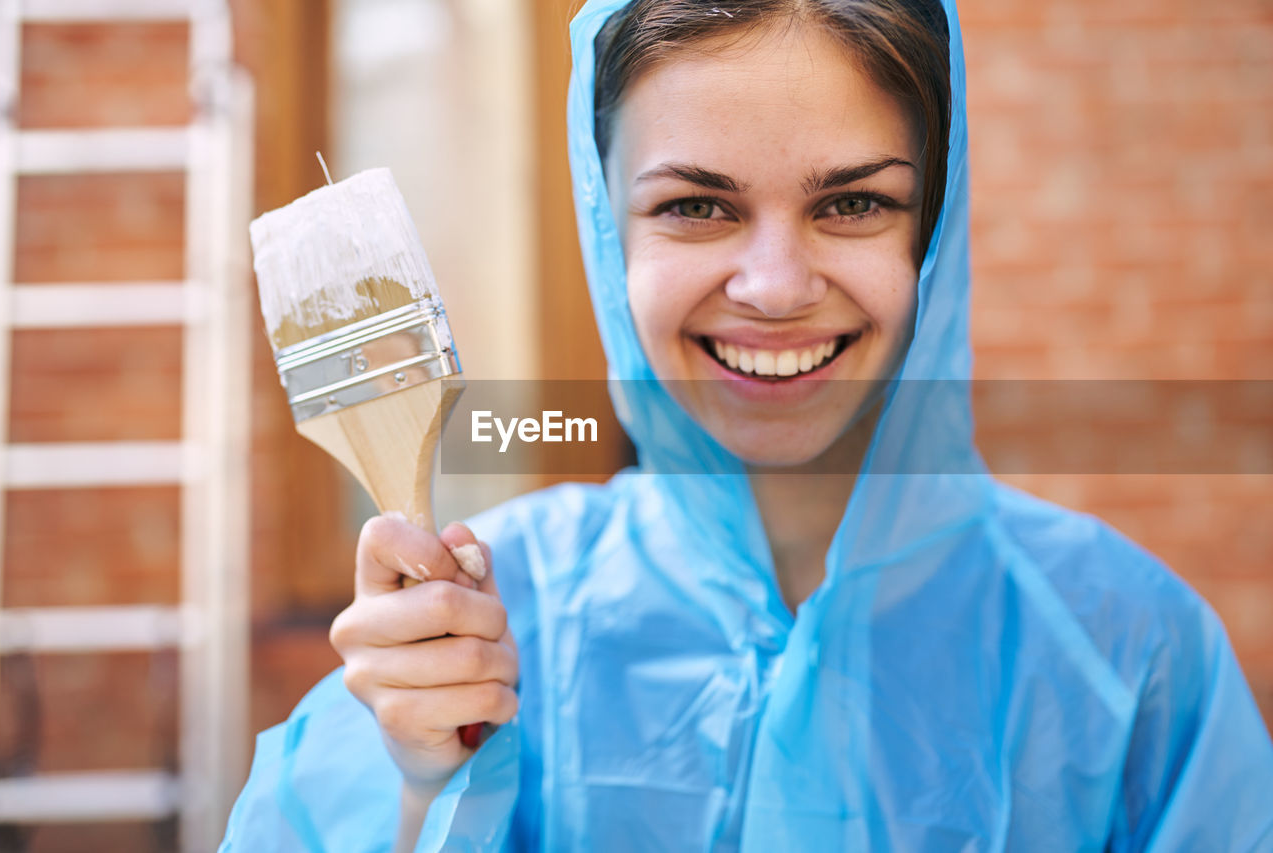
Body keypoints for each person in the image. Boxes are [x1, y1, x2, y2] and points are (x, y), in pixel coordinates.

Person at [221, 0, 1273, 850]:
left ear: (933, 233)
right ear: (607, 234)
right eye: (695, 205)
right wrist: (413, 798)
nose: (773, 287)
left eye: (852, 204)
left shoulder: (1130, 655)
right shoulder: (490, 618)